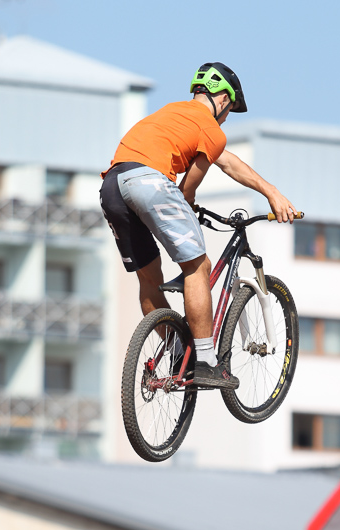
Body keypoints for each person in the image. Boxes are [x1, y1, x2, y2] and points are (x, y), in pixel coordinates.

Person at [99, 62, 298, 389]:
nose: (226, 118)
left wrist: (269, 190)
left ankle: (178, 353)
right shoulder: (210, 126)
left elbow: (227, 160)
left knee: (149, 279)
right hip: (150, 182)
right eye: (230, 110)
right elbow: (188, 189)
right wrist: (272, 194)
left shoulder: (173, 113)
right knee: (198, 266)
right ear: (223, 98)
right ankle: (206, 361)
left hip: (112, 186)